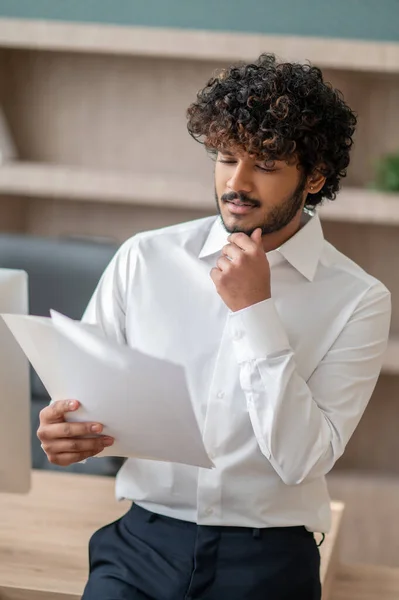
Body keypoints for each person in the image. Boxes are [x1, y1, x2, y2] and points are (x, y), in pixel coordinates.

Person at [37, 53, 391, 600]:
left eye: (265, 166)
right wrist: (66, 434)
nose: (237, 182)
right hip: (141, 544)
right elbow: (84, 403)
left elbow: (303, 460)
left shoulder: (359, 299)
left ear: (314, 177)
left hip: (268, 559)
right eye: (225, 158)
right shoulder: (145, 259)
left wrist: (255, 312)